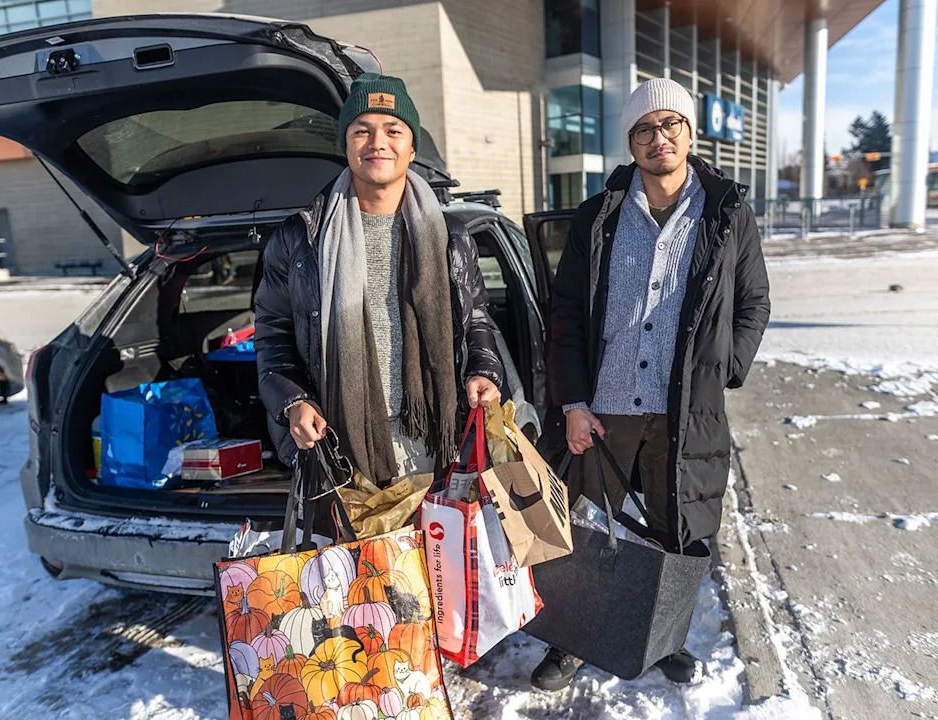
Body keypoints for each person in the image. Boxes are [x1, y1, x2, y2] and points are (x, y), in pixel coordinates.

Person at [532, 78, 771, 690]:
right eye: (644, 129)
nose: (657, 137)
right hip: (606, 407)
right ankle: (573, 640)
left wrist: (726, 369)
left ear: (690, 135)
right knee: (586, 525)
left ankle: (664, 640)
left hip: (683, 410)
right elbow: (566, 313)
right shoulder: (601, 212)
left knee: (676, 529)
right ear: (631, 141)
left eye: (670, 126)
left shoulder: (726, 213)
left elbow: (754, 303)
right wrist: (574, 403)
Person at [254, 72, 502, 487]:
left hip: (435, 440)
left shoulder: (451, 238)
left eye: (393, 130)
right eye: (361, 131)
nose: (377, 143)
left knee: (435, 553)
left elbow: (476, 319)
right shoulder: (301, 241)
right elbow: (272, 334)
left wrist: (484, 372)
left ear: (411, 146)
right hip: (338, 442)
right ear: (345, 144)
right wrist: (293, 401)